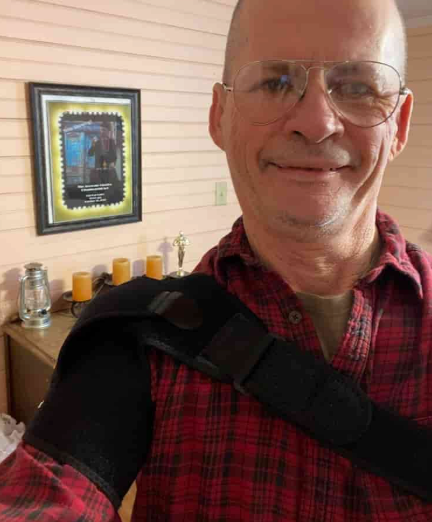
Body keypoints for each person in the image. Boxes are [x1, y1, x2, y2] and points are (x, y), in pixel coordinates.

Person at [2, 0, 432, 520]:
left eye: (358, 87)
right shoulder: (136, 333)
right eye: (275, 82)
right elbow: (47, 496)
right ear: (219, 116)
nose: (317, 123)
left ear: (399, 124)